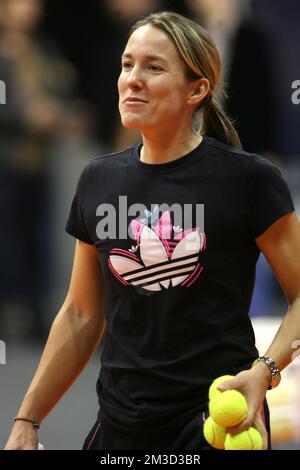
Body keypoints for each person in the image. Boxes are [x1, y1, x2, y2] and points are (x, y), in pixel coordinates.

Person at [4, 11, 300, 451]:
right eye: (127, 64)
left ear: (197, 89)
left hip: (215, 419)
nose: (132, 79)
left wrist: (265, 372)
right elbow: (82, 315)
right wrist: (27, 419)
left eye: (153, 67)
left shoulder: (248, 179)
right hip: (120, 422)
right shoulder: (97, 180)